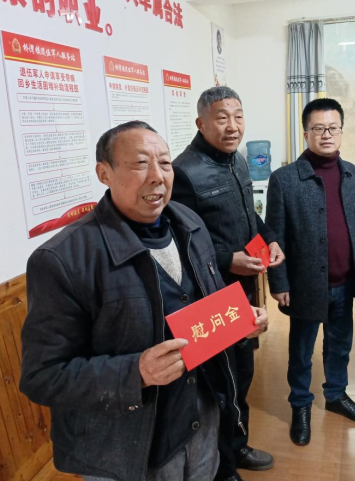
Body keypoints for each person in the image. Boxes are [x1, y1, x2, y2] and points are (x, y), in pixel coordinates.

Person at [19, 121, 269, 481]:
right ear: (104, 173)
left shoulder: (190, 224)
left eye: (165, 163)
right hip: (128, 449)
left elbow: (209, 306)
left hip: (202, 420)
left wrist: (240, 321)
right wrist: (135, 372)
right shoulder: (63, 259)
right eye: (140, 164)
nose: (157, 176)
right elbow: (42, 376)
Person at [172, 86, 284, 481]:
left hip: (242, 291)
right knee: (220, 384)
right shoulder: (184, 172)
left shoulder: (237, 160)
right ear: (201, 123)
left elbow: (248, 216)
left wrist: (269, 237)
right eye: (222, 118)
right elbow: (180, 242)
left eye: (238, 116)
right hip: (209, 296)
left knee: (242, 375)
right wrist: (227, 259)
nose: (232, 126)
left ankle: (236, 447)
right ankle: (222, 468)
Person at [266, 98, 355, 447]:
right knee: (301, 351)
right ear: (306, 133)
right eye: (318, 128)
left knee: (340, 345)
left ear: (341, 131)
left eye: (332, 128)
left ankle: (336, 395)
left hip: (345, 282)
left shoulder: (352, 174)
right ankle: (300, 404)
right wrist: (278, 281)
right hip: (305, 285)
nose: (326, 134)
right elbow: (274, 236)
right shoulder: (284, 179)